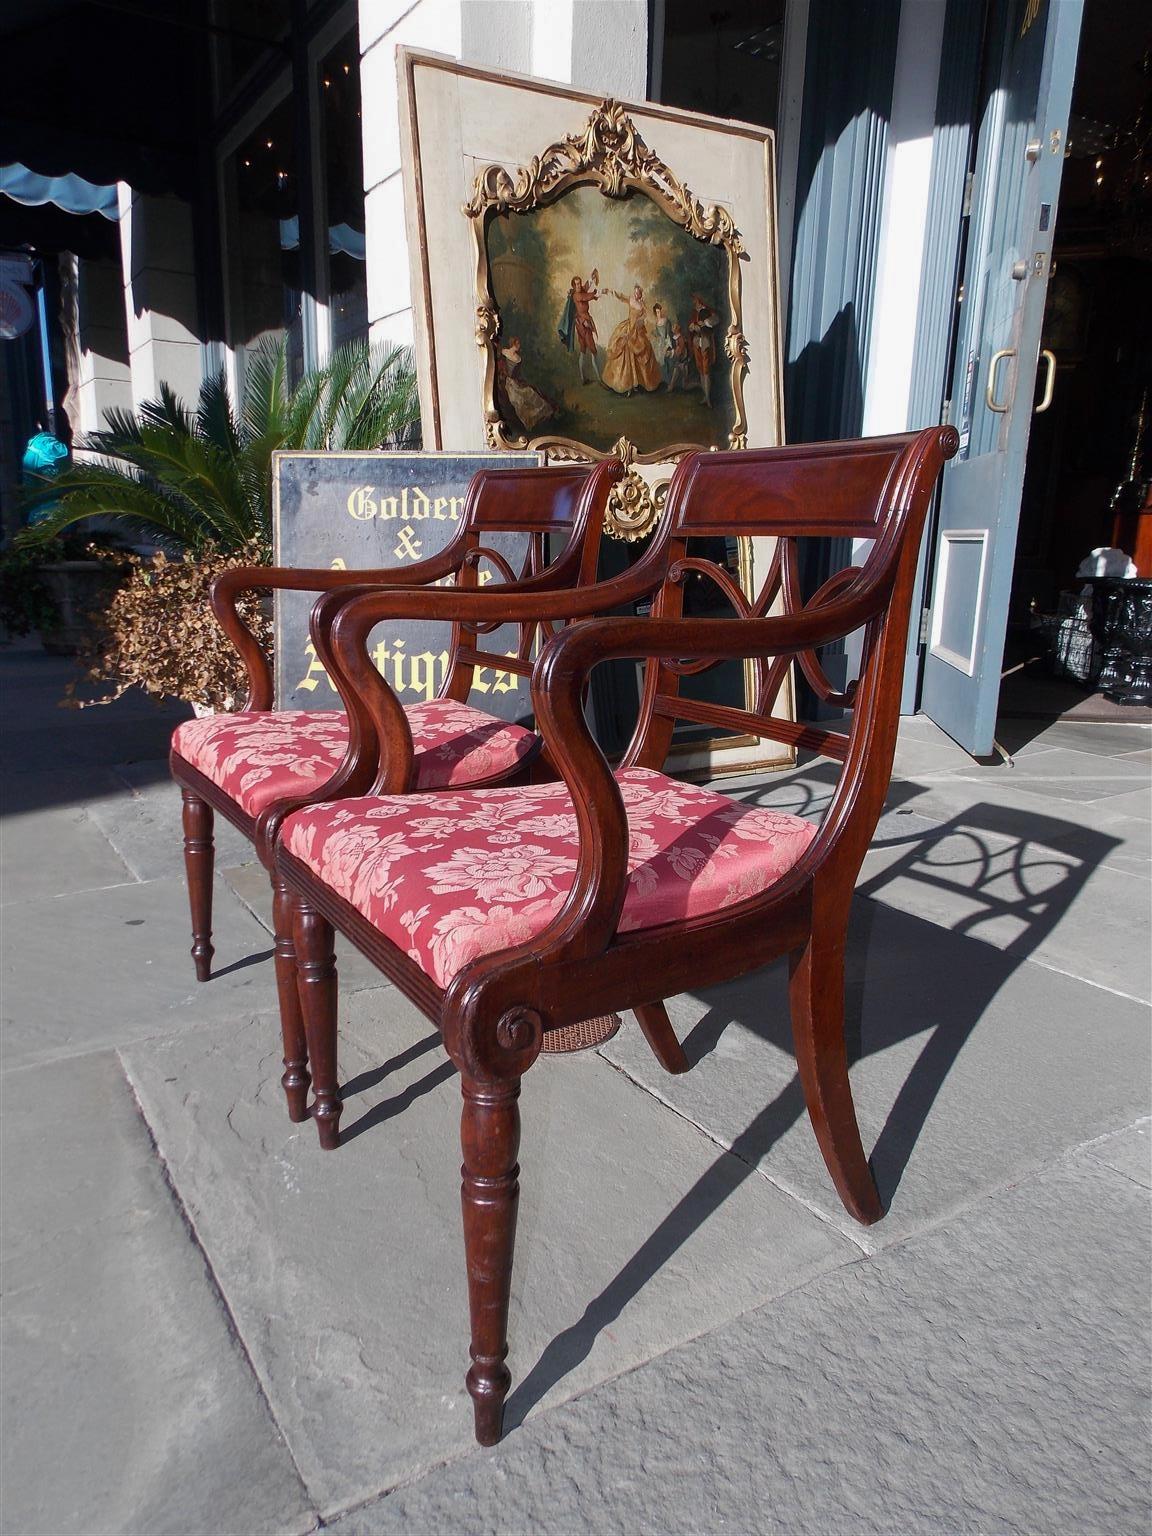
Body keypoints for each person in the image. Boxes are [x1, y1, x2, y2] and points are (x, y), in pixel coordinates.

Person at [601, 284, 662, 396]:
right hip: (628, 328)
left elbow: (645, 318)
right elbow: (620, 296)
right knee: (623, 350)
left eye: (638, 293)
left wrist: (642, 321)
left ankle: (638, 383)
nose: (636, 294)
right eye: (635, 292)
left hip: (637, 331)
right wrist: (609, 291)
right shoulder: (631, 300)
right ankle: (627, 385)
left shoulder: (643, 305)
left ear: (640, 293)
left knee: (644, 350)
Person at [496, 337, 558, 434]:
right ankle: (528, 422)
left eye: (519, 344)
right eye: (518, 344)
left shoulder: (518, 358)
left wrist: (518, 381)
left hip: (514, 381)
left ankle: (540, 416)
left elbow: (516, 374)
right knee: (518, 400)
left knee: (530, 393)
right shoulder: (504, 352)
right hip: (506, 382)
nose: (519, 346)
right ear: (513, 344)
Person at [557, 271, 601, 383]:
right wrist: (598, 292)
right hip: (584, 324)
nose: (578, 285)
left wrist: (592, 278)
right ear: (573, 285)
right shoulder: (577, 295)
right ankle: (600, 379)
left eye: (579, 283)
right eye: (576, 284)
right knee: (593, 350)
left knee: (582, 351)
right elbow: (586, 296)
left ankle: (583, 378)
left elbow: (586, 287)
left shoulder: (580, 290)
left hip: (580, 323)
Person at [688, 294, 719, 406]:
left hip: (705, 341)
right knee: (700, 368)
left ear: (699, 299)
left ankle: (708, 397)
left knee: (706, 370)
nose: (694, 301)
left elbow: (715, 320)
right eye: (693, 299)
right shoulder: (694, 312)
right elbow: (691, 327)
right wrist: (692, 327)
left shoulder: (707, 310)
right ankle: (705, 396)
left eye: (695, 299)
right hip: (697, 342)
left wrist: (704, 323)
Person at [651, 302, 674, 387]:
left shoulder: (666, 321)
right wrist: (654, 333)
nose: (659, 313)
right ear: (655, 313)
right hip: (659, 343)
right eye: (657, 312)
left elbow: (668, 334)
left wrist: (667, 345)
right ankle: (662, 381)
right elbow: (657, 334)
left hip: (666, 342)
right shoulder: (657, 323)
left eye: (659, 311)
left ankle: (669, 382)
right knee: (658, 361)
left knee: (666, 360)